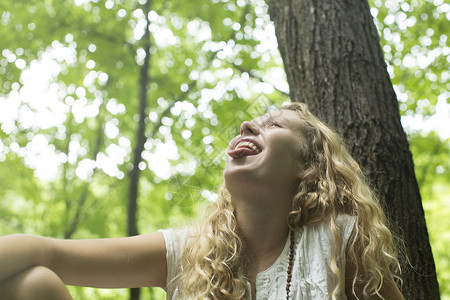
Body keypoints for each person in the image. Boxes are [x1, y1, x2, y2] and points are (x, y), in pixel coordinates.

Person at [0, 102, 404, 299]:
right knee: (34, 284)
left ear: (309, 168)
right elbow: (47, 252)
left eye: (276, 124)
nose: (248, 124)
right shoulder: (190, 252)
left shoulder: (338, 241)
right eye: (253, 122)